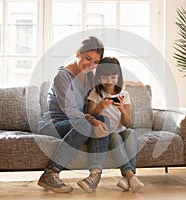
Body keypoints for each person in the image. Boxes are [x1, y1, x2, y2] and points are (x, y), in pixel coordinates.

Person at [37, 36, 110, 193]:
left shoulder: (89, 76)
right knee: (85, 123)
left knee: (103, 119)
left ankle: (94, 176)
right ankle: (50, 173)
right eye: (87, 58)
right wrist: (92, 120)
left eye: (96, 62)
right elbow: (70, 111)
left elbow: (97, 99)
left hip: (78, 124)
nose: (91, 65)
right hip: (53, 125)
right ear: (78, 54)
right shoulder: (62, 77)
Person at [87, 57, 144, 192]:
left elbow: (126, 122)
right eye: (105, 77)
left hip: (121, 129)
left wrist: (122, 109)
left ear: (119, 77)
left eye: (113, 77)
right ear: (99, 77)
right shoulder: (95, 93)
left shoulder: (124, 94)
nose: (109, 81)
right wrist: (100, 106)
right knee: (115, 137)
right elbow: (90, 115)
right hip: (107, 132)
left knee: (131, 133)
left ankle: (127, 178)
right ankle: (130, 175)